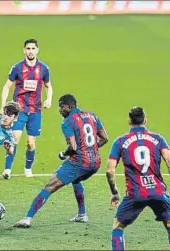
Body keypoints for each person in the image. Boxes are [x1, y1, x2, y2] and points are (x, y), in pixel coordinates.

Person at [14, 94, 108, 228]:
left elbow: (73, 147)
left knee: (50, 185)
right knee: (76, 179)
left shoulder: (68, 122)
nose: (60, 110)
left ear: (70, 106)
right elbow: (104, 138)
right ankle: (82, 214)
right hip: (96, 163)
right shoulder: (92, 116)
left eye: (62, 107)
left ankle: (27, 218)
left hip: (81, 161)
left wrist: (64, 154)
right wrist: (90, 149)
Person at [106, 106, 170, 251]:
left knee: (118, 226)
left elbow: (110, 170)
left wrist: (114, 192)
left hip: (135, 193)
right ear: (145, 121)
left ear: (129, 121)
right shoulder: (158, 138)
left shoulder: (120, 141)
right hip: (158, 191)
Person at [0, 38, 53, 179]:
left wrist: (49, 99)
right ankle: (7, 169)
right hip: (19, 109)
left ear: (37, 50)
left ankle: (27, 169)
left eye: (33, 48)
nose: (30, 51)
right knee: (15, 138)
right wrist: (3, 105)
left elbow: (48, 86)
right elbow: (6, 86)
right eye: (28, 48)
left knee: (31, 143)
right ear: (24, 50)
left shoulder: (44, 68)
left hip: (35, 110)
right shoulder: (17, 68)